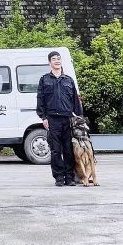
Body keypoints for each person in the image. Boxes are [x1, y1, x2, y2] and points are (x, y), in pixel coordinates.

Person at [36, 51, 82, 186]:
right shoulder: (44, 79)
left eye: (58, 59)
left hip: (67, 119)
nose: (57, 61)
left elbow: (75, 101)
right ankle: (59, 177)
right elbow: (40, 99)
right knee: (56, 150)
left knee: (69, 149)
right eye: (54, 59)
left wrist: (79, 117)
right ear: (49, 62)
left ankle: (70, 177)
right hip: (52, 119)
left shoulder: (68, 80)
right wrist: (43, 117)